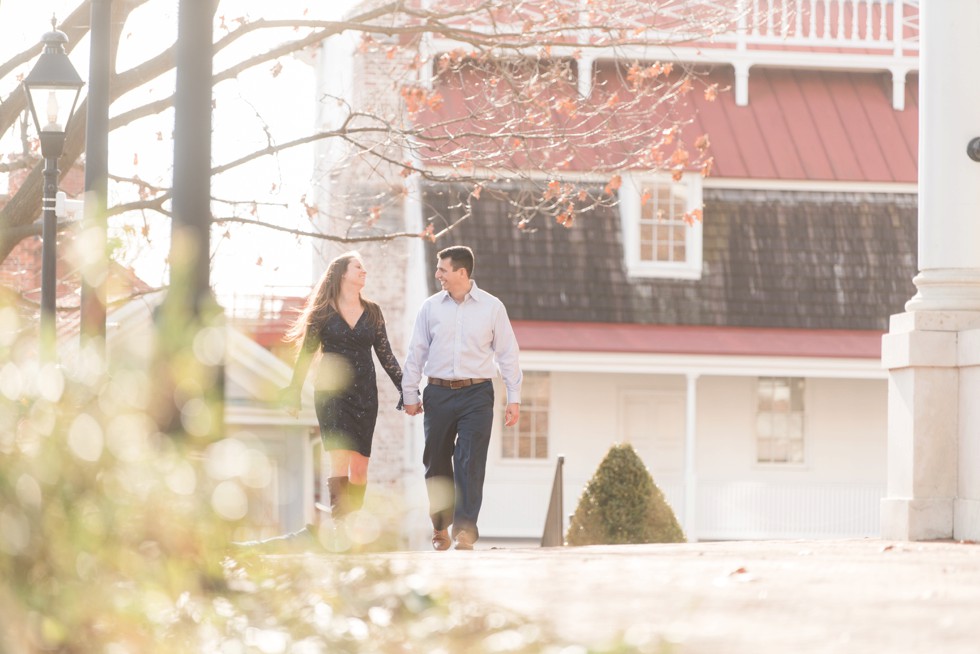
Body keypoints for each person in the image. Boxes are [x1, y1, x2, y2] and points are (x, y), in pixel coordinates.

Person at [402, 245, 522, 551]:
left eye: (443, 269)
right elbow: (416, 352)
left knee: (470, 461)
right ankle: (440, 526)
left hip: (477, 394)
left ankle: (465, 529)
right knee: (436, 461)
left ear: (461, 272)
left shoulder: (492, 308)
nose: (437, 274)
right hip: (438, 393)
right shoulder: (430, 308)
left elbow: (508, 354)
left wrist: (514, 396)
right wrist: (410, 392)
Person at [282, 250, 403, 523]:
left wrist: (406, 389)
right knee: (339, 462)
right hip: (331, 394)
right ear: (342, 273)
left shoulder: (373, 312)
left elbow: (386, 355)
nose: (364, 271)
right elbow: (305, 355)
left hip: (365, 395)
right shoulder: (323, 312)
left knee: (360, 468)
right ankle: (341, 529)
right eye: (358, 267)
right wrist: (293, 392)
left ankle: (354, 526)